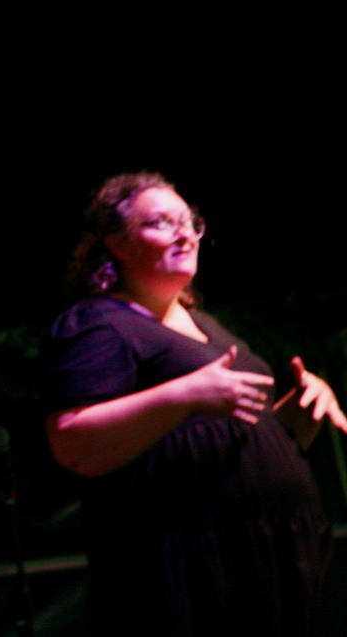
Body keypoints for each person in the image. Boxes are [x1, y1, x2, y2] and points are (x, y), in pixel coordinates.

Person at [41, 171, 344, 636]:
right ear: (117, 244)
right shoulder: (100, 324)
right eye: (162, 222)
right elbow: (72, 441)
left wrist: (295, 419)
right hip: (190, 573)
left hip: (273, 558)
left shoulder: (211, 329)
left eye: (191, 221)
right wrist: (184, 394)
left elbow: (227, 443)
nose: (186, 233)